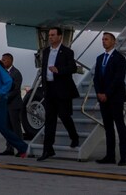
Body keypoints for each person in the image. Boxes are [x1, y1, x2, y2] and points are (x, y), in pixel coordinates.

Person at [37, 27, 80, 161]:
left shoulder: (67, 52)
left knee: (65, 116)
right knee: (50, 120)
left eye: (53, 35)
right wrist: (44, 87)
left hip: (62, 89)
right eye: (49, 35)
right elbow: (44, 70)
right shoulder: (46, 51)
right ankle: (48, 149)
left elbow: (72, 68)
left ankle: (74, 137)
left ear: (60, 37)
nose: (50, 37)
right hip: (49, 89)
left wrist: (58, 70)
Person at [92, 32, 126, 166]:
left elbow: (118, 79)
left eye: (106, 39)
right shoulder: (100, 58)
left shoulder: (119, 58)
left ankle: (124, 156)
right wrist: (99, 93)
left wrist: (107, 93)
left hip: (115, 97)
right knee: (108, 128)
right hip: (103, 98)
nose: (103, 41)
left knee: (120, 126)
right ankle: (110, 155)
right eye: (102, 39)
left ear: (114, 42)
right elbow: (96, 78)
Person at [0, 53, 24, 156]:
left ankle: (21, 148)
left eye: (4, 60)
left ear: (10, 61)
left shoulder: (16, 73)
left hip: (14, 105)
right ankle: (9, 148)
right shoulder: (3, 73)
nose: (2, 61)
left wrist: (4, 97)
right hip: (5, 105)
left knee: (16, 128)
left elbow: (16, 90)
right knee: (7, 128)